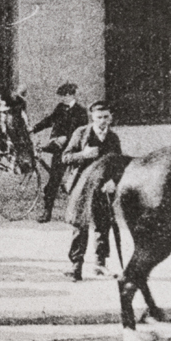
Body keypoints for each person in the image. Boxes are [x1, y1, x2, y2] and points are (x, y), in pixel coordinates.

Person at [60, 101, 121, 280]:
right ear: (92, 118)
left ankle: (100, 264)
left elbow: (118, 164)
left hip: (103, 187)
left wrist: (113, 181)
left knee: (103, 224)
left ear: (110, 118)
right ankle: (75, 265)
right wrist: (83, 155)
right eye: (99, 117)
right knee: (80, 225)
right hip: (82, 186)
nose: (103, 121)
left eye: (106, 117)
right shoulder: (81, 133)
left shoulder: (113, 138)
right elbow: (65, 157)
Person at [30, 83, 89, 223]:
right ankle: (47, 212)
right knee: (53, 182)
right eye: (61, 96)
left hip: (73, 151)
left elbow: (81, 132)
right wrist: (34, 128)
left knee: (77, 182)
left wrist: (67, 139)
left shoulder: (81, 111)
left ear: (71, 95)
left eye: (64, 96)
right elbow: (50, 120)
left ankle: (79, 213)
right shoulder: (60, 108)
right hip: (58, 148)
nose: (62, 99)